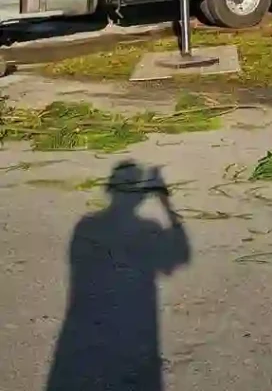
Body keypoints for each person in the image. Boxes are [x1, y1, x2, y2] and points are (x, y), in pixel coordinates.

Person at [46, 161, 191, 391]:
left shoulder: (85, 226)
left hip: (85, 331)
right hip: (134, 329)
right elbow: (181, 256)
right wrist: (165, 201)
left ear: (109, 190)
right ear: (142, 196)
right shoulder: (148, 229)